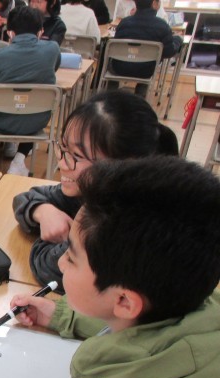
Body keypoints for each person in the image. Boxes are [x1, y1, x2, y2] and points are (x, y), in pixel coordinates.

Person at [10, 156, 220, 378]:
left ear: (123, 300)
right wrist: (62, 315)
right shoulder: (199, 299)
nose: (61, 263)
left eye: (71, 257)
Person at [13, 90, 178, 292]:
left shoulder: (121, 223)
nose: (62, 163)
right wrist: (43, 211)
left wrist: (56, 238)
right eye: (63, 148)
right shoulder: (99, 189)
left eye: (77, 155)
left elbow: (49, 268)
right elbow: (25, 198)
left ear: (123, 165)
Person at [0, 6, 60, 172]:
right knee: (33, 106)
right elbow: (54, 68)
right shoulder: (52, 49)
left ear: (10, 33)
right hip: (36, 122)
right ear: (40, 32)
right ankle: (19, 160)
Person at [110, 0, 183, 97]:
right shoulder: (162, 26)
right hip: (146, 70)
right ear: (154, 3)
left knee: (111, 61)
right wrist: (178, 39)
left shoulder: (124, 23)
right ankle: (140, 95)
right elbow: (168, 52)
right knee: (149, 62)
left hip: (119, 67)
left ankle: (110, 94)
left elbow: (116, 48)